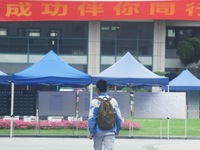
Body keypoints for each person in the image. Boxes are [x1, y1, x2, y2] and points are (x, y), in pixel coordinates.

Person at [88, 79, 123, 150]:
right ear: (106, 89)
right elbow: (118, 117)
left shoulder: (94, 102)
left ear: (98, 89)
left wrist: (92, 132)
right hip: (111, 131)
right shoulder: (113, 101)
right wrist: (118, 129)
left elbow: (91, 118)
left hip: (98, 132)